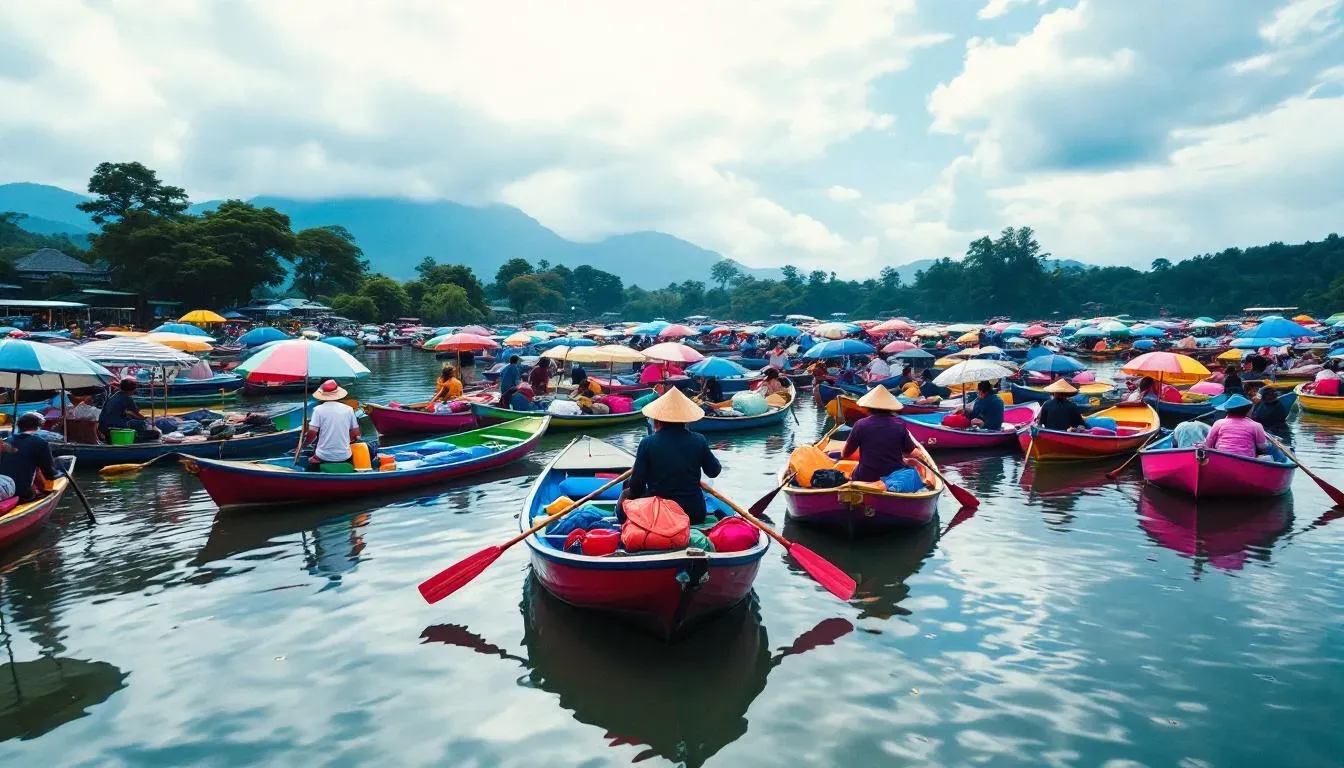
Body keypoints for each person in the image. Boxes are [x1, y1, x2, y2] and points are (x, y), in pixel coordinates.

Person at [623, 388, 722, 525]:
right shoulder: (699, 440)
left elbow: (637, 484)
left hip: (659, 513)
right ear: (685, 420)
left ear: (658, 419)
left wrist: (631, 495)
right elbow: (714, 471)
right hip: (694, 512)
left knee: (625, 494)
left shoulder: (647, 443)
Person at [841, 386, 921, 482]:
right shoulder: (899, 424)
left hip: (866, 476)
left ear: (868, 408)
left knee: (853, 472)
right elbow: (909, 451)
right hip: (893, 477)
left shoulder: (860, 424)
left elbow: (845, 454)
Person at [304, 380, 362, 472]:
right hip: (345, 455)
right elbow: (356, 433)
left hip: (323, 456)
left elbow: (312, 433)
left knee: (310, 457)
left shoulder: (318, 410)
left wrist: (306, 444)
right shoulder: (349, 409)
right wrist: (347, 441)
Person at [0, 412, 59, 501]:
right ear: (37, 427)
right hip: (21, 492)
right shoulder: (40, 443)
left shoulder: (6, 441)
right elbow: (48, 472)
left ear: (19, 427)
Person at [1201, 394, 1269, 458]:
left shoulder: (1219, 423)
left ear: (1227, 411)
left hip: (1221, 457)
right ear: (1246, 411)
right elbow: (1262, 447)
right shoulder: (1256, 425)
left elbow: (1208, 443)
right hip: (1247, 459)